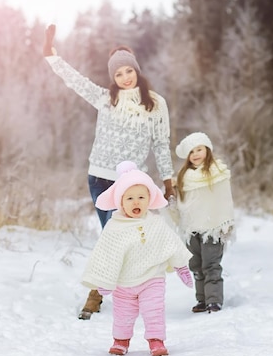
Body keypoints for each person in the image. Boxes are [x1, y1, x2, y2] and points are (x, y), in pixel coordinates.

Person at [42, 24, 176, 320]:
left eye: (128, 71)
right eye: (118, 74)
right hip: (100, 179)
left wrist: (168, 179)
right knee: (110, 237)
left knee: (124, 238)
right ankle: (101, 292)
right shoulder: (106, 99)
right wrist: (51, 55)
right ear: (113, 78)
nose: (125, 78)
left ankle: (119, 292)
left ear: (136, 71)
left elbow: (161, 143)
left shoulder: (155, 104)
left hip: (131, 185)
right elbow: (75, 81)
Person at [81, 161, 192, 356]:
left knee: (154, 310)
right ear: (120, 202)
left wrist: (181, 266)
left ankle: (156, 341)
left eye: (141, 197)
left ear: (149, 199)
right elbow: (107, 253)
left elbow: (170, 243)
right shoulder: (114, 227)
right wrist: (104, 281)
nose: (136, 202)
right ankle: (120, 340)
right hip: (124, 283)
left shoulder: (155, 223)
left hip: (152, 279)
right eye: (130, 198)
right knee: (123, 313)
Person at [173, 132, 235, 313]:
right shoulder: (184, 177)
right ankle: (202, 299)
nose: (195, 154)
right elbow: (181, 204)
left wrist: (225, 223)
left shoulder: (218, 172)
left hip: (213, 228)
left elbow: (224, 200)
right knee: (196, 265)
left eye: (199, 149)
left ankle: (214, 300)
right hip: (192, 228)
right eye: (191, 151)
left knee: (211, 265)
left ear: (207, 149)